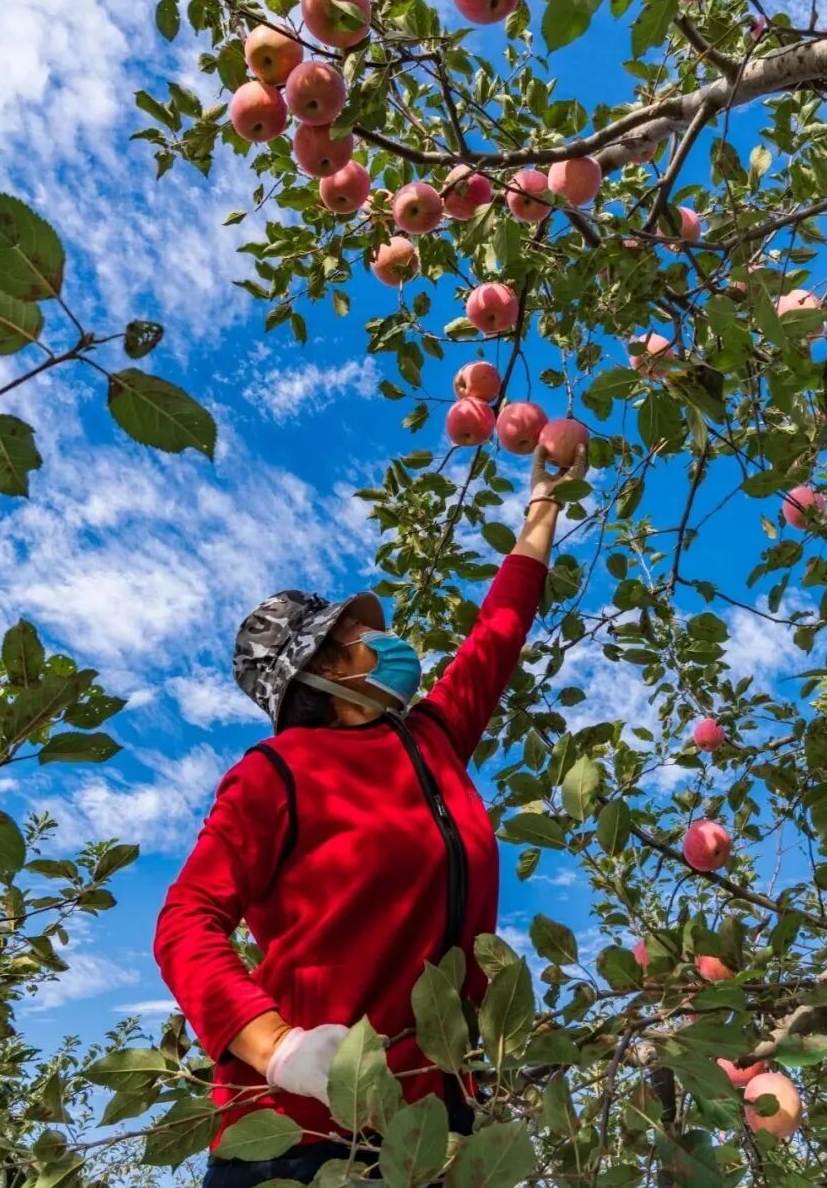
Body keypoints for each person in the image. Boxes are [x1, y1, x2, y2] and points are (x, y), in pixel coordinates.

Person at [152, 442, 588, 1187]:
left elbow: (499, 632)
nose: (381, 641)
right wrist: (276, 1047)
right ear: (322, 666)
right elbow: (185, 922)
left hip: (433, 1136)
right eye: (357, 636)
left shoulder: (431, 740)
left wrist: (543, 507)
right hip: (301, 1138)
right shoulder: (275, 772)